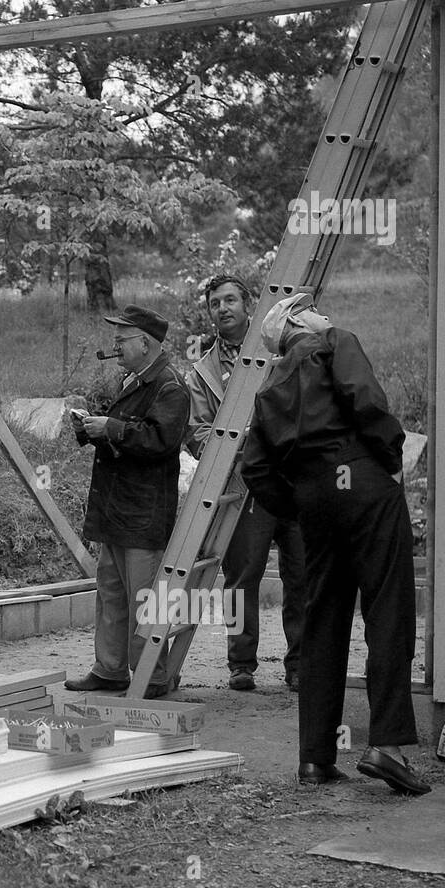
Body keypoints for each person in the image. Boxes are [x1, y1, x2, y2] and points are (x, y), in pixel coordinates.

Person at [241, 294, 429, 795]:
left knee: (322, 617)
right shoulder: (334, 342)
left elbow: (255, 467)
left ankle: (315, 759)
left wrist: (300, 503)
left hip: (315, 498)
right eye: (316, 310)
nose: (326, 314)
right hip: (362, 480)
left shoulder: (270, 386)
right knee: (388, 609)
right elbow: (366, 401)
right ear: (302, 321)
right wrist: (390, 455)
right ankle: (385, 745)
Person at [185, 274, 307, 692]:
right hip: (244, 489)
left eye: (231, 299)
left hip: (292, 480)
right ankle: (241, 664)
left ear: (249, 304)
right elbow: (199, 433)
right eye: (215, 302)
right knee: (241, 579)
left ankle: (301, 664)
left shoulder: (280, 348)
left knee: (303, 573)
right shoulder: (202, 372)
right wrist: (240, 451)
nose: (223, 308)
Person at [65, 305, 190, 700]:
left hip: (143, 514)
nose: (116, 345)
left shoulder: (169, 386)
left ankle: (152, 676)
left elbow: (160, 441)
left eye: (121, 339)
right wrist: (92, 429)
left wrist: (112, 427)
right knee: (112, 593)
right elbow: (132, 437)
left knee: (145, 599)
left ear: (145, 343)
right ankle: (110, 669)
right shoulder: (136, 379)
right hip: (118, 511)